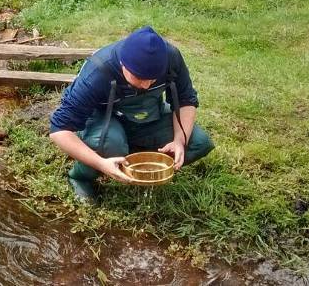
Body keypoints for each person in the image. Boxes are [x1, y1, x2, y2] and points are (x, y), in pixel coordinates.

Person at [49, 26, 214, 202]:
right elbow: (59, 130)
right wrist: (101, 164)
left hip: (147, 113)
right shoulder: (98, 72)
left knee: (198, 142)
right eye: (139, 78)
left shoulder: (171, 58)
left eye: (152, 79)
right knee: (109, 144)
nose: (146, 85)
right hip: (104, 116)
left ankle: (137, 162)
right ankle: (81, 177)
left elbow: (186, 100)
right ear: (122, 64)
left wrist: (179, 141)